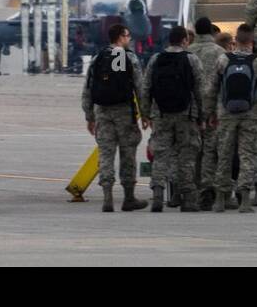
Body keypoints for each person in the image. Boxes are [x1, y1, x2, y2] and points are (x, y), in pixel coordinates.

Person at [210, 24, 257, 212]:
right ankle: (245, 200)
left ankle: (220, 200)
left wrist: (209, 113)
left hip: (226, 114)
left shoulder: (223, 59)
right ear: (252, 41)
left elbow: (212, 88)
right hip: (251, 115)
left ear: (236, 40)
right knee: (247, 155)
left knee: (224, 155)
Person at [82, 23, 149, 211]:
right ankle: (128, 198)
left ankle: (107, 198)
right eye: (127, 36)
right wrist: (145, 114)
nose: (129, 39)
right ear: (120, 37)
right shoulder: (129, 57)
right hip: (124, 112)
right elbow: (140, 88)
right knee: (128, 154)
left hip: (102, 112)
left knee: (106, 154)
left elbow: (87, 89)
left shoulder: (98, 58)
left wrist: (89, 116)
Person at [141, 25, 205, 212]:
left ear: (169, 40)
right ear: (185, 40)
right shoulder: (192, 59)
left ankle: (158, 194)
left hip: (160, 113)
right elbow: (200, 90)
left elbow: (146, 88)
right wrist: (202, 115)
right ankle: (188, 199)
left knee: (161, 154)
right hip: (186, 114)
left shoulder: (156, 59)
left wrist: (146, 114)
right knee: (186, 155)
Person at [188, 17, 226, 209]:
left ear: (195, 31)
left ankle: (190, 191)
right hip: (213, 111)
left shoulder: (188, 52)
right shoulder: (220, 52)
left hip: (190, 111)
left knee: (193, 151)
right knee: (211, 151)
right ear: (211, 32)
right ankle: (208, 190)